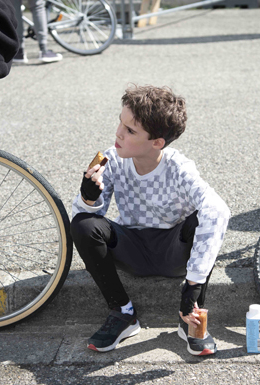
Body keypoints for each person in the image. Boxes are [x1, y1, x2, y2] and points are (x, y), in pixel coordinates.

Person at [70, 85, 231, 356]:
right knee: (83, 224)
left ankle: (191, 317)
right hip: (131, 248)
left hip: (173, 252)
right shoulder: (113, 160)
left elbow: (218, 211)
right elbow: (84, 219)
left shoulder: (179, 168)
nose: (119, 133)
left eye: (130, 130)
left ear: (157, 142)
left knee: (205, 217)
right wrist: (88, 197)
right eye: (120, 123)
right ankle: (123, 312)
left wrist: (193, 285)